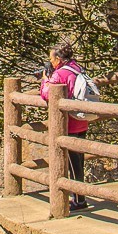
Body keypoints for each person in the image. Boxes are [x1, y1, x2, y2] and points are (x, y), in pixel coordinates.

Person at [40, 46, 90, 210]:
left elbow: (48, 94)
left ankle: (79, 200)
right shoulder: (77, 68)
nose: (50, 62)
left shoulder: (60, 74)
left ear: (59, 59)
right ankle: (79, 197)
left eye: (52, 59)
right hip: (82, 118)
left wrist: (45, 80)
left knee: (73, 164)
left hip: (70, 123)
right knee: (79, 161)